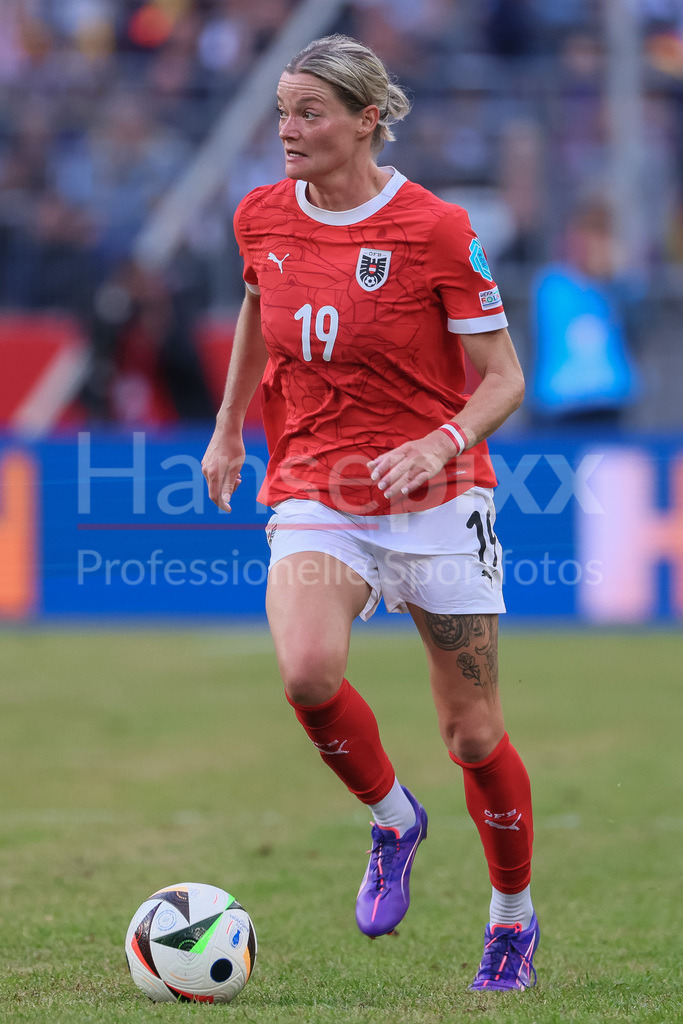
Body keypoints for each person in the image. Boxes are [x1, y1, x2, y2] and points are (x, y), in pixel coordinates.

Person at [202, 34, 538, 992]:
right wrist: (229, 425)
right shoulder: (260, 216)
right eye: (281, 112)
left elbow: (504, 379)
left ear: (366, 121)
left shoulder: (434, 229)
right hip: (318, 485)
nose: (288, 131)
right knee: (308, 673)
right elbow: (259, 306)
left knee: (473, 734)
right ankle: (393, 818)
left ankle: (510, 916)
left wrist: (440, 441)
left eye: (309, 113)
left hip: (436, 498)